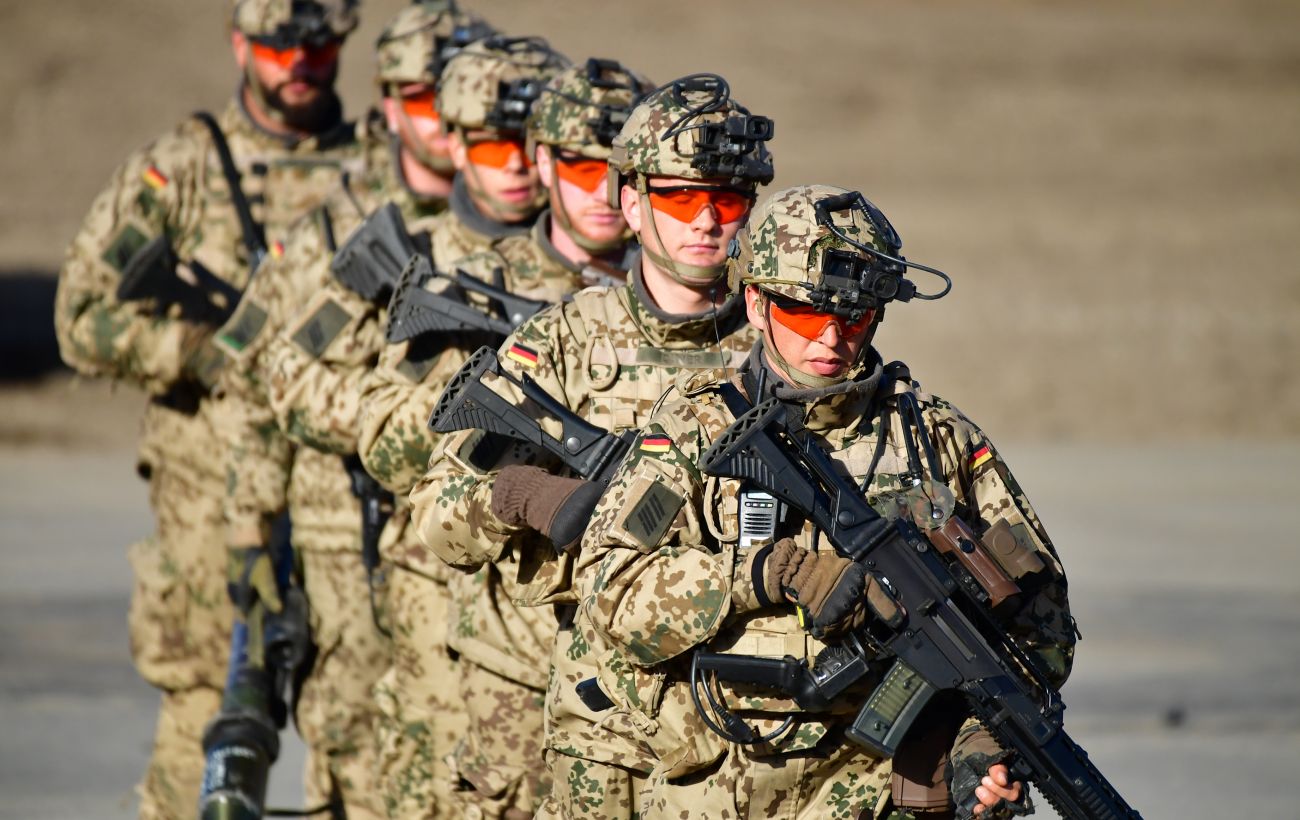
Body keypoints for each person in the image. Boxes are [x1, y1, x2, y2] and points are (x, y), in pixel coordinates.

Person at [573, 185, 1077, 818]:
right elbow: (610, 588)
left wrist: (979, 744)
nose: (832, 337)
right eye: (808, 315)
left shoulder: (936, 439)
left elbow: (1041, 625)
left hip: (879, 793)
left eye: (856, 317)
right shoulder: (695, 427)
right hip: (718, 784)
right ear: (755, 304)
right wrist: (765, 574)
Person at [406, 73, 776, 819]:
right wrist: (526, 497)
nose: (707, 220)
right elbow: (437, 514)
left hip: (743, 730)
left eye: (729, 200)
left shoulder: (782, 347)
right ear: (632, 203)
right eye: (681, 198)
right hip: (590, 726)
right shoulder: (562, 342)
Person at [51, 1, 360, 816]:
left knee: (358, 719)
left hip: (339, 499)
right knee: (205, 719)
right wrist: (194, 349)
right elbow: (80, 318)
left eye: (317, 45)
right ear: (238, 43)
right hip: (206, 504)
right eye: (277, 47)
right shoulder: (182, 169)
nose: (299, 64)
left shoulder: (373, 172)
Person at [210, 3, 495, 817]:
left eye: (460, 98)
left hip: (466, 538)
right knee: (355, 751)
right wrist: (251, 529)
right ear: (389, 101)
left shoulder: (511, 227)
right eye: (423, 98)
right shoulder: (338, 230)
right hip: (341, 535)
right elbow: (261, 385)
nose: (442, 118)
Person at [348, 33, 574, 819]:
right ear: (452, 140)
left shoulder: (593, 273)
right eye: (490, 144)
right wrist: (477, 396)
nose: (514, 165)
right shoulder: (421, 261)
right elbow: (355, 422)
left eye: (527, 145)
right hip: (431, 571)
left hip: (536, 598)